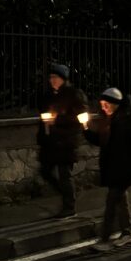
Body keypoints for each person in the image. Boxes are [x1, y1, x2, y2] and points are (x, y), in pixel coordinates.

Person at [84, 88, 131, 251]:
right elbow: (102, 141)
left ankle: (104, 239)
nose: (103, 107)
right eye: (101, 104)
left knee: (111, 203)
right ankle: (128, 231)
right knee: (120, 201)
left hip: (124, 170)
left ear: (114, 104)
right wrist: (85, 129)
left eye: (106, 104)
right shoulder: (109, 120)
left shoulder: (128, 121)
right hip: (114, 168)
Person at [37, 63, 88, 218]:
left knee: (65, 173)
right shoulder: (49, 95)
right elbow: (43, 115)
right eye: (50, 77)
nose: (52, 80)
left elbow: (80, 118)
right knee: (45, 171)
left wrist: (57, 120)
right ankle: (68, 194)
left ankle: (69, 206)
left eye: (55, 77)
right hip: (50, 141)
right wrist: (42, 135)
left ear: (63, 79)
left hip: (67, 141)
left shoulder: (74, 94)